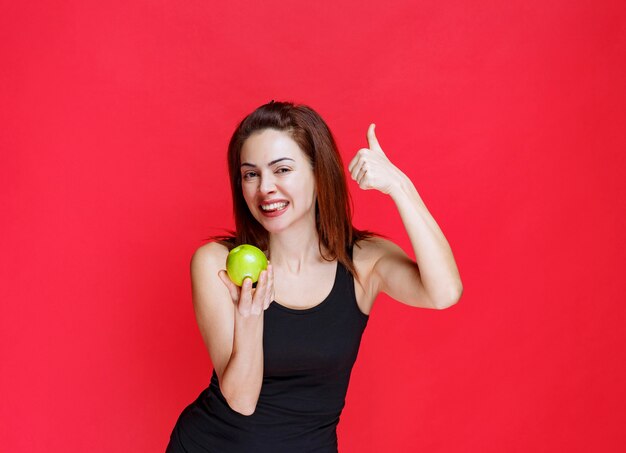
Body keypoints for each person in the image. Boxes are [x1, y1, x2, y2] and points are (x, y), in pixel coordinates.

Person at [165, 101, 463, 452]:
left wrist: (399, 186)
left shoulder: (362, 263)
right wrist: (249, 318)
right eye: (251, 174)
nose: (265, 188)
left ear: (318, 173)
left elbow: (445, 292)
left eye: (282, 169)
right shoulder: (218, 262)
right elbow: (241, 400)